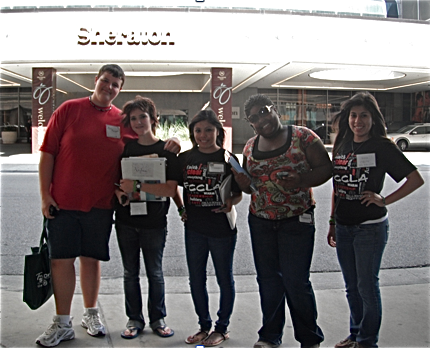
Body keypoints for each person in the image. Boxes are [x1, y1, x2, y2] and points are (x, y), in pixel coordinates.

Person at [36, 65, 180, 347]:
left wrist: (172, 141)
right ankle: (62, 322)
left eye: (116, 84)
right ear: (96, 80)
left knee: (91, 260)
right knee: (60, 261)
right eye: (106, 81)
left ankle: (91, 315)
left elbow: (144, 140)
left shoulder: (121, 120)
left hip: (101, 206)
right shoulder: (68, 109)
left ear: (120, 89)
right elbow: (47, 153)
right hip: (62, 202)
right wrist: (44, 195)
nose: (109, 87)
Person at [232, 94, 332, 348]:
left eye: (263, 112)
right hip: (261, 221)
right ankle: (270, 336)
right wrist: (243, 185)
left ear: (274, 109)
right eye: (253, 118)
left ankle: (309, 338)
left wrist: (300, 180)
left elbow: (325, 169)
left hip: (296, 220)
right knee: (268, 281)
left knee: (296, 281)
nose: (260, 120)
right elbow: (250, 185)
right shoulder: (249, 146)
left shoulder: (304, 137)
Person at [327, 92, 424, 348]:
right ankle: (356, 333)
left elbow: (415, 179)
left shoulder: (382, 146)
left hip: (369, 228)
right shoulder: (342, 145)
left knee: (367, 287)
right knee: (351, 287)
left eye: (364, 116)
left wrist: (384, 199)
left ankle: (368, 342)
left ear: (373, 119)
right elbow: (338, 187)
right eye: (354, 115)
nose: (358, 121)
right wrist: (332, 222)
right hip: (344, 227)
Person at [114, 96, 180, 340]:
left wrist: (138, 185)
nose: (139, 122)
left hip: (154, 223)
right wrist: (121, 192)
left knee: (155, 272)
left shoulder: (167, 150)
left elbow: (170, 190)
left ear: (154, 119)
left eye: (143, 116)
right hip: (126, 222)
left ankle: (158, 318)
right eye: (133, 118)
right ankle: (134, 319)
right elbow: (116, 183)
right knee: (130, 272)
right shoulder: (125, 150)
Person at [177, 109, 242, 347]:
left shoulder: (228, 158)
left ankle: (221, 328)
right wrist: (181, 208)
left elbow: (238, 194)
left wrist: (230, 203)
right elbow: (172, 186)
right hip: (194, 228)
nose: (203, 135)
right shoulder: (184, 159)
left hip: (222, 229)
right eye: (198, 130)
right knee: (196, 279)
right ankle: (204, 326)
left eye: (208, 130)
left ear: (218, 131)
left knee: (224, 278)